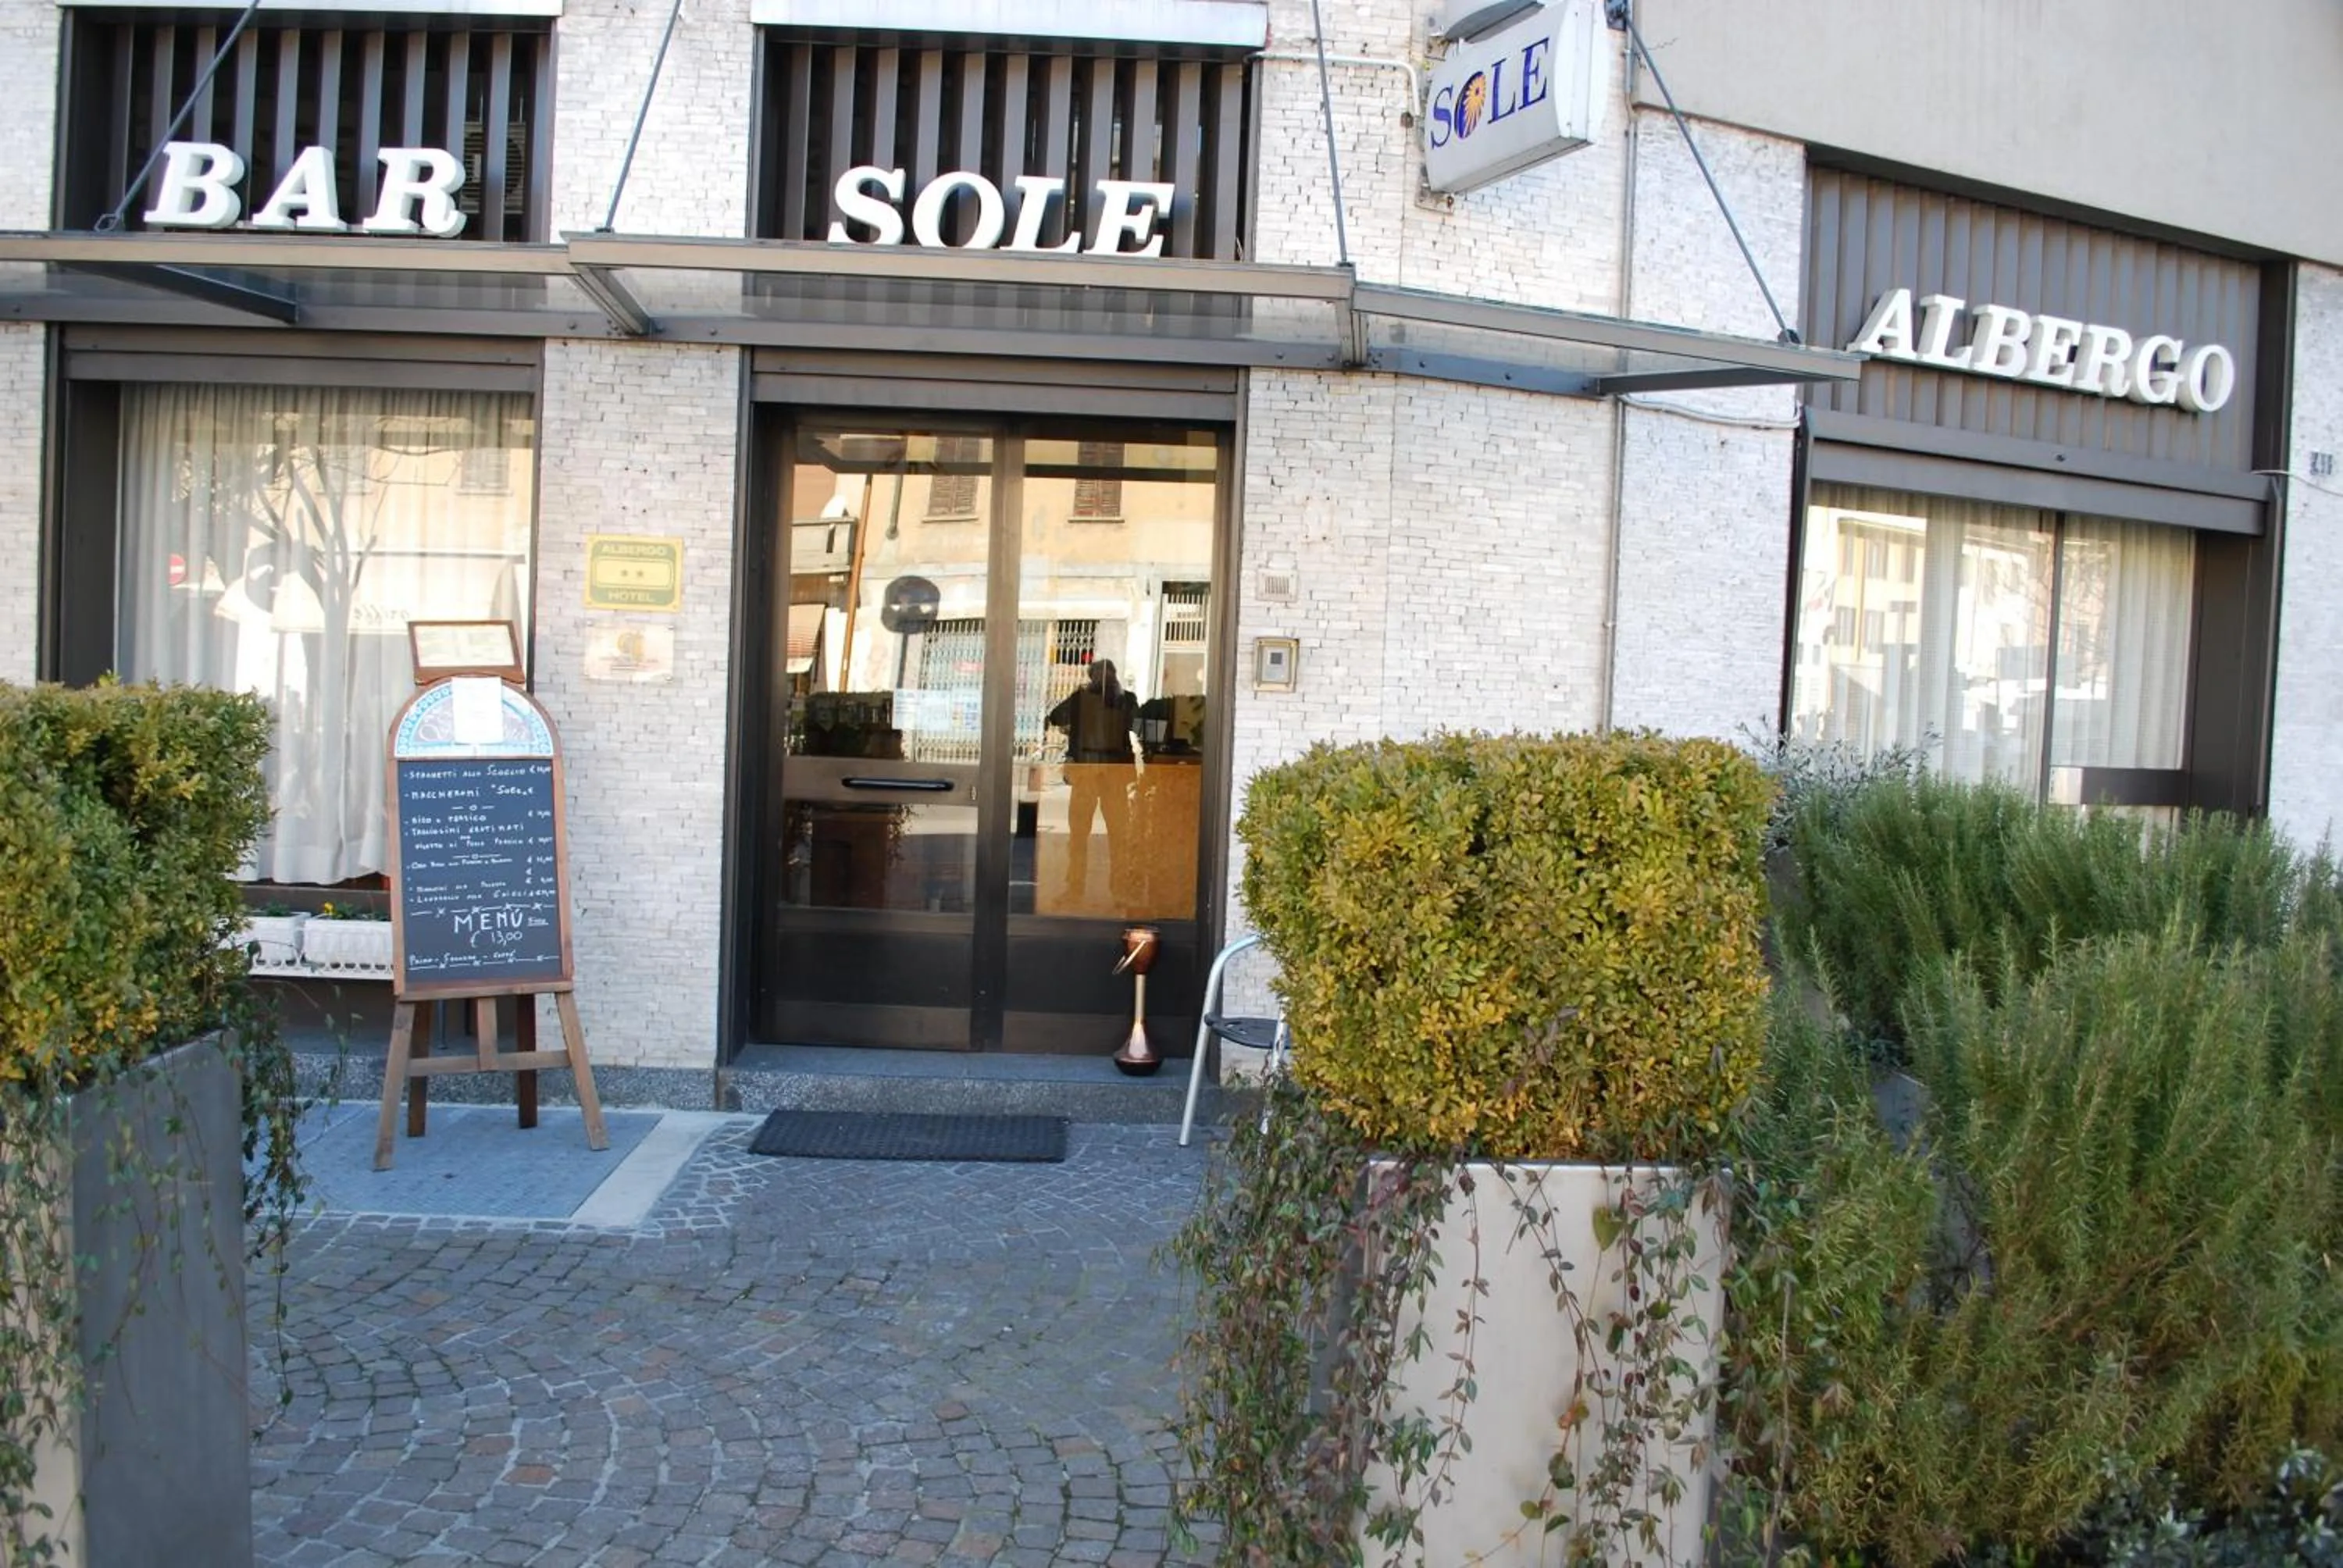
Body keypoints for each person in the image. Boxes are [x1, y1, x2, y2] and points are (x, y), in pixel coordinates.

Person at [1047, 659, 1139, 906]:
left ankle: (1111, 891)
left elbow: (1143, 728)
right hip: (1093, 774)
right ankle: (1083, 890)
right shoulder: (1090, 698)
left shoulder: (1124, 700)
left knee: (1111, 836)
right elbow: (1056, 717)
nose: (1102, 681)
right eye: (1100, 677)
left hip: (1107, 775)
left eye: (1104, 676)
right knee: (1085, 836)